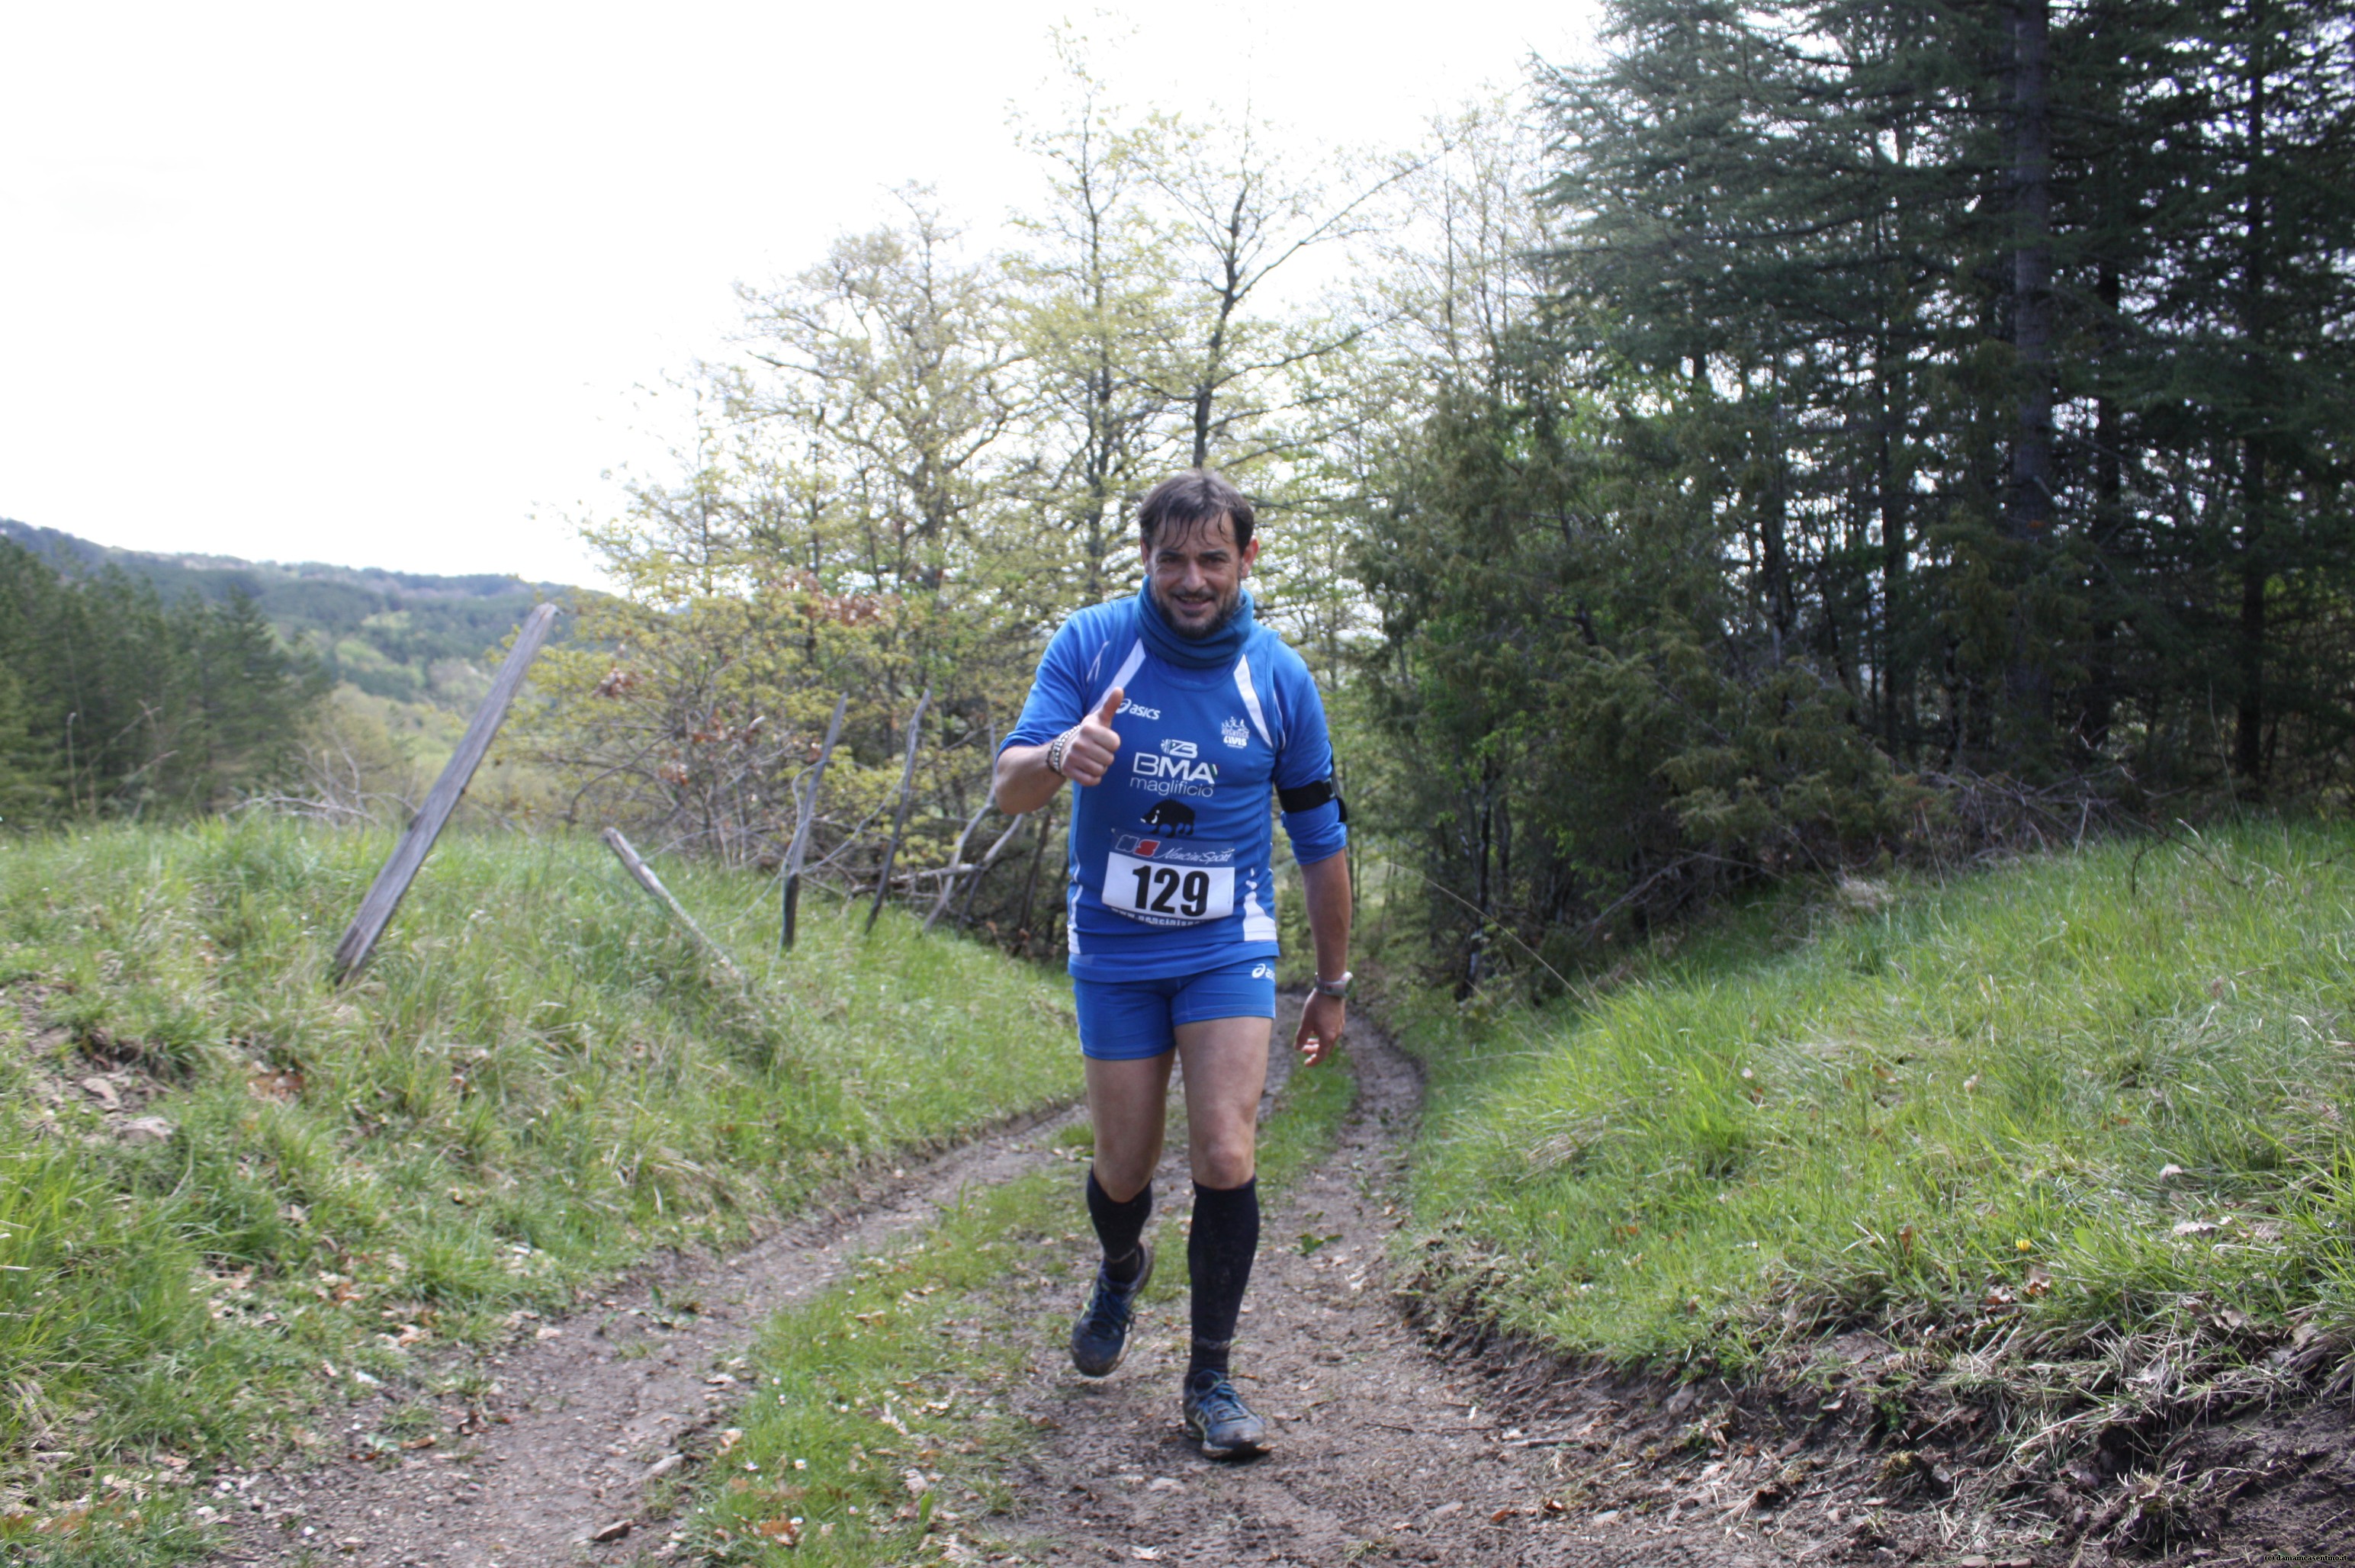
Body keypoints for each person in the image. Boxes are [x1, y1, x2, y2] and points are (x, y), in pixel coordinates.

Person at [994, 468, 1353, 1460]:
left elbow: (1322, 842)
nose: (1191, 580)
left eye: (1211, 559)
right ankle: (1120, 1268)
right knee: (1123, 1168)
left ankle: (1211, 1379)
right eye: (1171, 560)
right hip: (1112, 946)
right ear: (1146, 560)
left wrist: (1331, 985)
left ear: (1245, 558)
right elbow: (1008, 788)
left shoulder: (1279, 679)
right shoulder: (1092, 645)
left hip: (1225, 943)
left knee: (1226, 1152)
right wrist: (1062, 751)